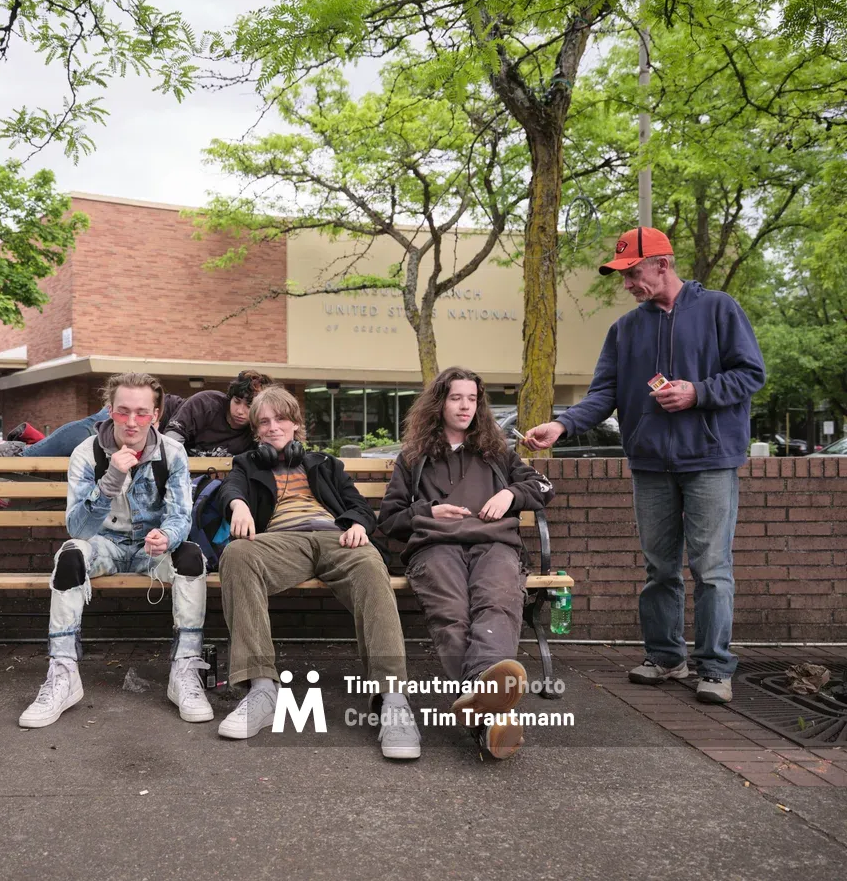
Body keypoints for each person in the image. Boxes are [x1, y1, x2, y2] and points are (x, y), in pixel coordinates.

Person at [525, 228, 766, 705]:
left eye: (633, 273)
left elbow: (750, 373)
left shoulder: (719, 308)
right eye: (623, 276)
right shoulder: (625, 330)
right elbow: (603, 394)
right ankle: (665, 658)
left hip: (711, 460)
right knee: (659, 568)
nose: (628, 284)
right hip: (651, 463)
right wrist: (563, 425)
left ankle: (715, 669)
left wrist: (698, 393)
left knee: (711, 568)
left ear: (663, 264)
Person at [214, 386, 421, 760]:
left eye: (280, 419)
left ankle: (393, 699)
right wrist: (239, 503)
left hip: (333, 538)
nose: (273, 427)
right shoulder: (248, 463)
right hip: (281, 543)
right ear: (257, 431)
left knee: (372, 567)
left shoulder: (325, 464)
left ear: (295, 424)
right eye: (264, 421)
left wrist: (358, 524)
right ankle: (262, 689)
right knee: (237, 554)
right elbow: (230, 487)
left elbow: (358, 505)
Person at [379, 367, 555, 760]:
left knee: (496, 602)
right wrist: (430, 510)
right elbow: (389, 519)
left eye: (472, 399)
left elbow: (544, 487)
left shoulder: (497, 452)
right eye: (456, 398)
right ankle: (489, 712)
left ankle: (481, 705)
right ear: (440, 402)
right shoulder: (413, 457)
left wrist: (511, 495)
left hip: (494, 544)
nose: (465, 406)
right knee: (453, 613)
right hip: (436, 547)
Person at [18, 373, 211, 728]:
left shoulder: (172, 453)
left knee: (191, 556)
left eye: (142, 412)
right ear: (109, 411)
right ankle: (63, 673)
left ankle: (185, 670)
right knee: (70, 554)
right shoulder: (86, 453)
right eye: (123, 412)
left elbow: (181, 515)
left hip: (152, 551)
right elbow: (78, 528)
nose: (132, 422)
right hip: (104, 546)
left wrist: (166, 537)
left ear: (156, 414)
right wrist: (110, 481)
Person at [13, 394, 185, 458]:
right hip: (141, 408)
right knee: (90, 429)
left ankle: (27, 444)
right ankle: (23, 453)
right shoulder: (205, 404)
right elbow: (170, 443)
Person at [163, 370, 275, 455]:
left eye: (249, 406)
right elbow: (171, 442)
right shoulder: (205, 403)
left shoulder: (260, 428)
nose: (240, 411)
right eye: (237, 401)